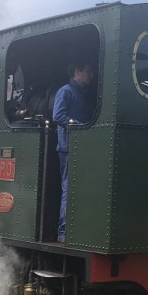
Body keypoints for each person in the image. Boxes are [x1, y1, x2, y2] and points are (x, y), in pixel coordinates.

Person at [53, 60, 94, 242]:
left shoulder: (82, 94)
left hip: (79, 146)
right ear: (77, 72)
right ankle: (63, 232)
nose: (91, 76)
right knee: (68, 188)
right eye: (88, 72)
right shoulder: (66, 91)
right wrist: (81, 127)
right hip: (68, 146)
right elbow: (58, 116)